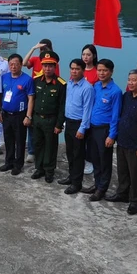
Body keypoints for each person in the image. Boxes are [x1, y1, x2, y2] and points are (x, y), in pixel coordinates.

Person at [106, 70, 137, 214]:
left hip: (136, 144)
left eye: (134, 80)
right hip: (122, 141)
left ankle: (135, 200)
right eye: (129, 80)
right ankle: (122, 194)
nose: (131, 83)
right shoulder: (126, 96)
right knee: (122, 171)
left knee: (136, 174)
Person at [84, 59, 122, 202]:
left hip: (105, 130)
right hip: (93, 128)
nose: (101, 73)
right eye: (99, 70)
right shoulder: (96, 86)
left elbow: (115, 115)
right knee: (94, 158)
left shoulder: (116, 91)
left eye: (104, 70)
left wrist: (112, 135)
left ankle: (102, 189)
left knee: (104, 160)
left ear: (111, 72)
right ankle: (97, 183)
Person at [29, 52, 66, 183]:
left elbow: (62, 106)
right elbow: (32, 100)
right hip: (37, 118)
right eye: (45, 66)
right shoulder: (36, 81)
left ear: (55, 67)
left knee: (51, 147)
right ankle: (39, 169)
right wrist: (30, 117)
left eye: (50, 66)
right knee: (38, 144)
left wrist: (59, 124)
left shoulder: (61, 84)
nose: (47, 69)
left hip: (51, 120)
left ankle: (49, 171)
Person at [58, 58, 93, 194]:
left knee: (78, 155)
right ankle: (71, 177)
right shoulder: (69, 84)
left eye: (77, 69)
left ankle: (77, 183)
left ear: (83, 71)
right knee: (70, 153)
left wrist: (82, 128)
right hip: (69, 122)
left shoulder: (87, 88)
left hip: (79, 124)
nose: (74, 71)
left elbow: (87, 110)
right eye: (72, 68)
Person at [0, 53, 34, 175]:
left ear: (21, 65)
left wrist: (28, 116)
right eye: (11, 64)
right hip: (6, 114)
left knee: (19, 140)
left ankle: (18, 165)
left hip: (20, 115)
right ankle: (9, 162)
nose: (13, 67)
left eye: (16, 64)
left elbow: (31, 99)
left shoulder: (27, 80)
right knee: (8, 139)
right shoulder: (4, 77)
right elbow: (0, 95)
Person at [80, 44, 98, 176]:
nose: (86, 57)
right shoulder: (79, 70)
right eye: (84, 54)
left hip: (91, 110)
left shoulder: (98, 72)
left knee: (90, 139)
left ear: (94, 56)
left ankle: (89, 161)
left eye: (88, 55)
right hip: (78, 111)